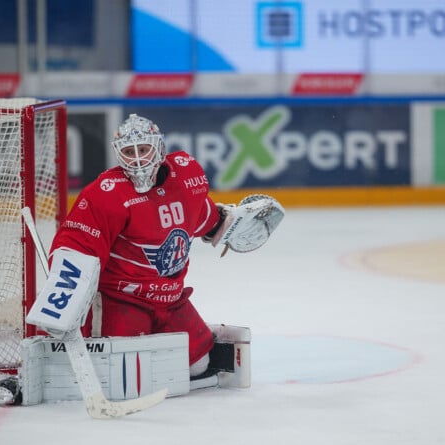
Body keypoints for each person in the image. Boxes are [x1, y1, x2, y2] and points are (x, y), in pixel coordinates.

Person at [30, 113, 282, 378]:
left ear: (160, 148)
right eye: (129, 151)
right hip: (122, 299)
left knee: (199, 364)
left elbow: (200, 217)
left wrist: (225, 222)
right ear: (118, 154)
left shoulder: (186, 178)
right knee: (125, 370)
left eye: (144, 149)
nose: (137, 158)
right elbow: (77, 245)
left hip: (170, 299)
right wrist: (62, 300)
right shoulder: (106, 193)